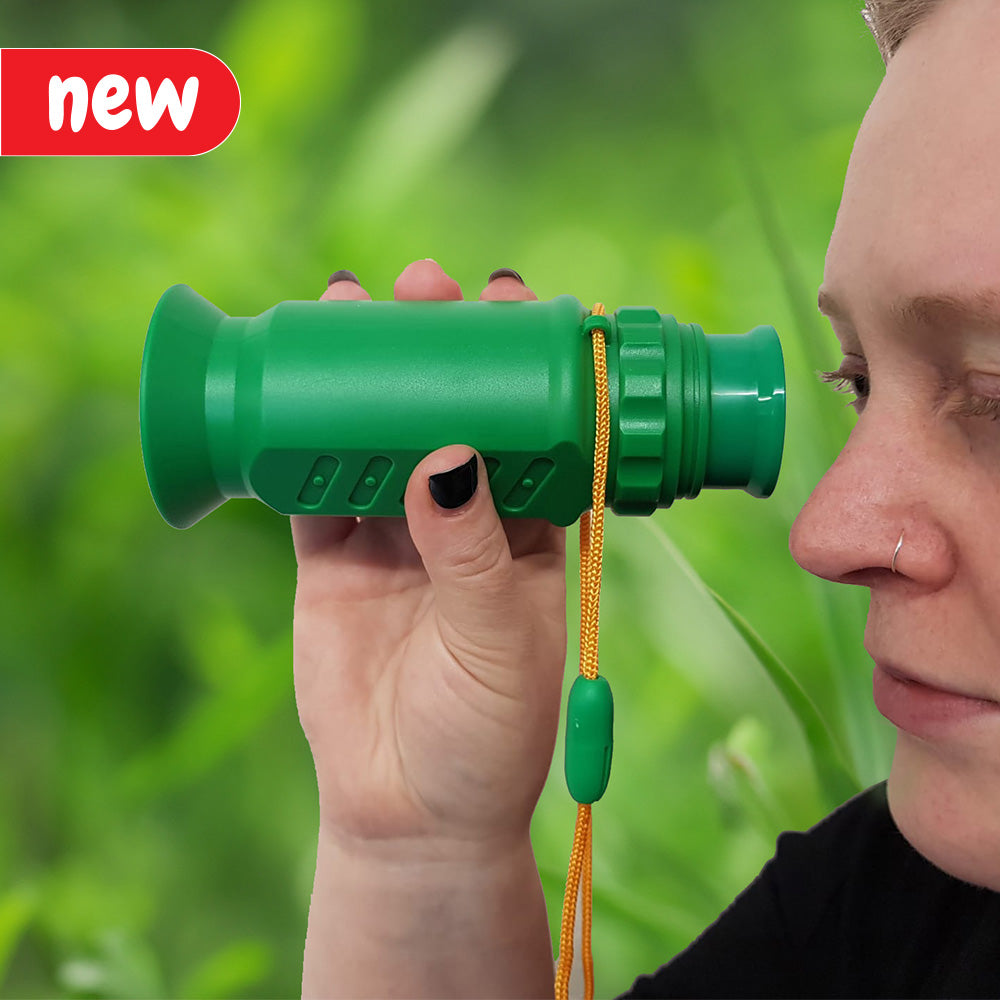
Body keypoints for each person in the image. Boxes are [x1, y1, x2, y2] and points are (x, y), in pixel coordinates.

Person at [292, 0, 1000, 995]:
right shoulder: (890, 919)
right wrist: (419, 853)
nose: (828, 529)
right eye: (858, 381)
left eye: (993, 394)